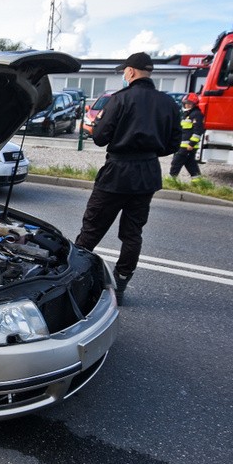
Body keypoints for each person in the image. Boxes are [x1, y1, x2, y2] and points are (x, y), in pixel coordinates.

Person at [74, 52, 182, 304]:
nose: (124, 74)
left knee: (91, 230)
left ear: (131, 72)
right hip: (147, 174)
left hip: (117, 173)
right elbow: (172, 144)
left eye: (125, 71)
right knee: (132, 234)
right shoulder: (167, 103)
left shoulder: (120, 99)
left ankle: (75, 280)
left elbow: (100, 137)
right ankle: (121, 283)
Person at [168, 93, 205, 180]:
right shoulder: (187, 114)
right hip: (183, 145)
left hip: (188, 146)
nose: (187, 105)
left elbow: (198, 131)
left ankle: (171, 180)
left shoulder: (196, 114)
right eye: (186, 103)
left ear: (194, 104)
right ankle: (198, 181)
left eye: (189, 103)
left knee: (176, 162)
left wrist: (191, 144)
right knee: (190, 163)